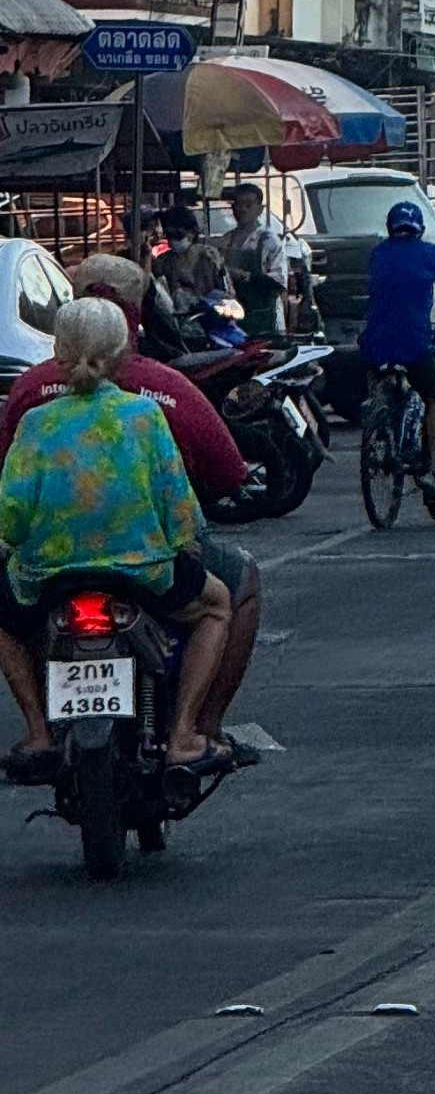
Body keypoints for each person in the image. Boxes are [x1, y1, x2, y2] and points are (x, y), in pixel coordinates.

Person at [0, 252, 264, 761]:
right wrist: (184, 543)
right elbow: (177, 500)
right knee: (215, 607)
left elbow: (12, 510)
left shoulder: (35, 417)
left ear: (58, 348)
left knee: (6, 620)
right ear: (123, 345)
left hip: (46, 574)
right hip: (143, 570)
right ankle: (188, 731)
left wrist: (9, 548)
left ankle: (37, 731)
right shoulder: (146, 413)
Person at [357, 200, 435, 482]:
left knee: (381, 383)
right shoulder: (431, 254)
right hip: (415, 341)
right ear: (419, 229)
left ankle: (382, 419)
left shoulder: (377, 254)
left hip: (374, 343)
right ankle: (432, 469)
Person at [219, 185, 290, 346]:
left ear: (260, 208)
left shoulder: (270, 241)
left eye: (248, 204)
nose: (242, 209)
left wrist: (246, 276)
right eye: (238, 204)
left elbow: (279, 281)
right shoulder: (226, 241)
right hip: (234, 314)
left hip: (265, 315)